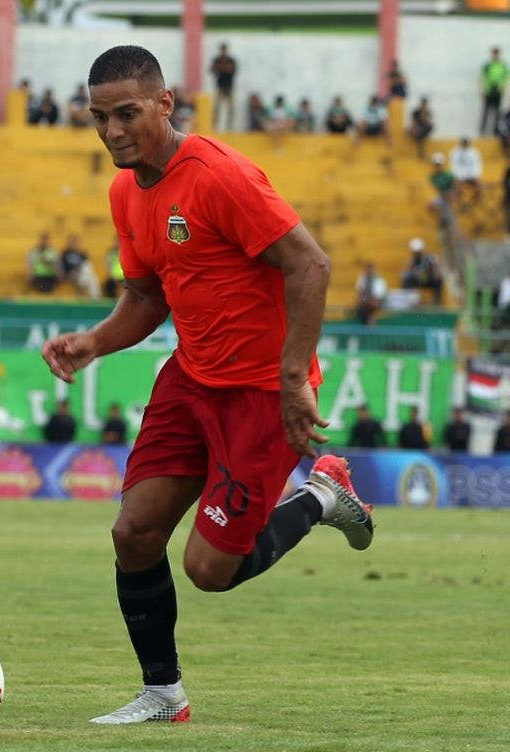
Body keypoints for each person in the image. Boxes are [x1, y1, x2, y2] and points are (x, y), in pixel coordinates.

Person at [41, 45, 373, 725]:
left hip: (260, 394)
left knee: (208, 570)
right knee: (133, 532)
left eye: (127, 114)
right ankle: (163, 695)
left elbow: (311, 266)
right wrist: (95, 341)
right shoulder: (123, 190)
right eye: (99, 118)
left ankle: (319, 496)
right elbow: (146, 294)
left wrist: (291, 379)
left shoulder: (220, 177)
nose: (112, 132)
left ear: (165, 103)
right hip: (191, 379)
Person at [209, 43, 237, 131]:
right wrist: (223, 68)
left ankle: (230, 127)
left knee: (231, 107)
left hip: (229, 86)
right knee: (217, 107)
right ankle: (215, 126)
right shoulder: (217, 60)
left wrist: (221, 68)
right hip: (220, 86)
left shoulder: (230, 60)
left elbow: (232, 70)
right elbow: (213, 70)